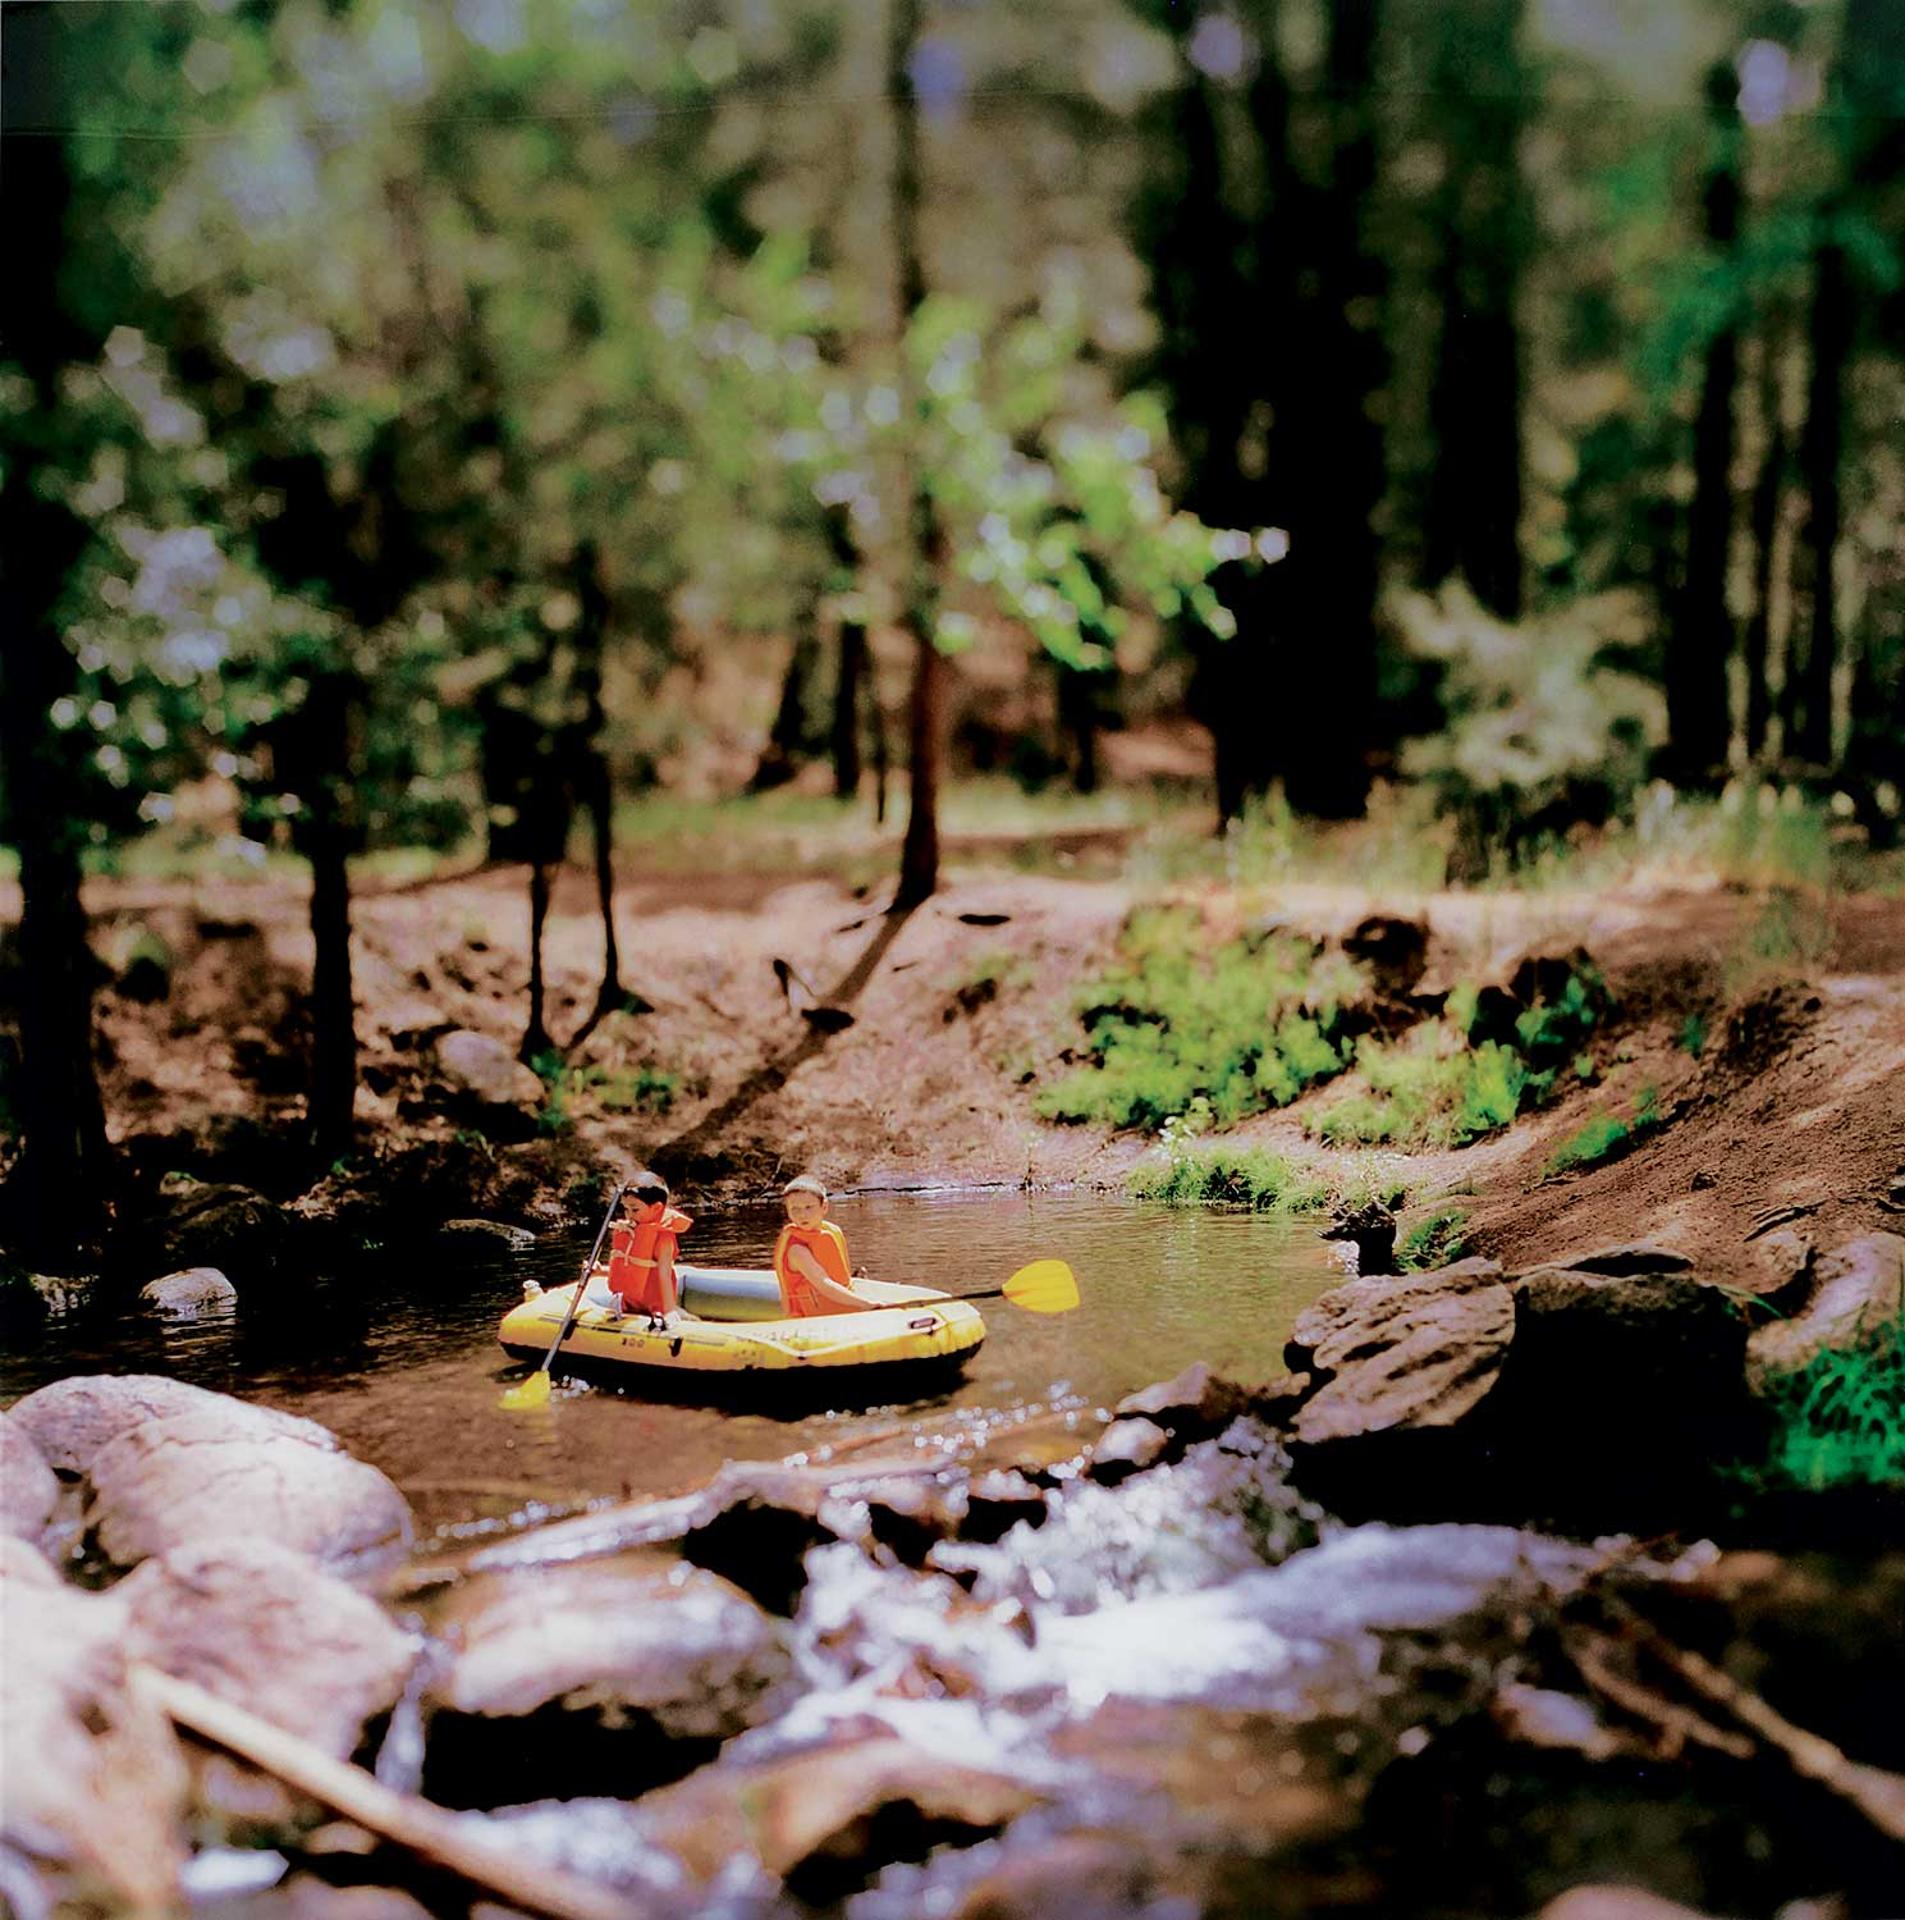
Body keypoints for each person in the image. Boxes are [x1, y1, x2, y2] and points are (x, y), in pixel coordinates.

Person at [772, 1175, 875, 1316]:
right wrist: (867, 1304)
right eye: (795, 1209)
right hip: (809, 1317)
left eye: (809, 1207)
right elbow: (824, 1285)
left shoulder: (829, 1231)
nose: (802, 1215)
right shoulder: (796, 1250)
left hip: (839, 1310)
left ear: (824, 1207)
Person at [601, 1169, 691, 1321]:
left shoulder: (663, 1238)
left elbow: (664, 1273)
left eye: (635, 1209)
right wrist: (601, 1271)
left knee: (679, 1317)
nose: (629, 1215)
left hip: (655, 1304)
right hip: (629, 1302)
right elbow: (628, 1264)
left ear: (656, 1208)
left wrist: (669, 1310)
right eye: (626, 1209)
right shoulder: (630, 1232)